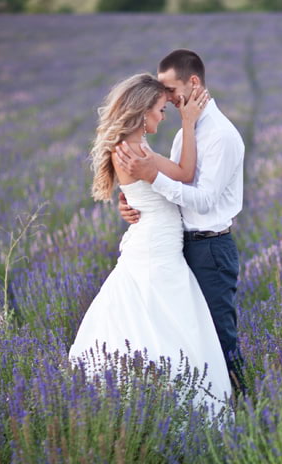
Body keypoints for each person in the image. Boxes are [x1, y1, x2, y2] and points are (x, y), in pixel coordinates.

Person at [69, 72, 232, 414]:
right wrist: (189, 123)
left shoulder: (133, 148)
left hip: (155, 242)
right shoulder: (133, 150)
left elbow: (147, 190)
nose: (163, 115)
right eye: (160, 109)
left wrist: (130, 202)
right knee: (167, 321)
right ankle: (168, 400)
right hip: (157, 248)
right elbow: (186, 174)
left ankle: (153, 397)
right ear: (143, 112)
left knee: (156, 319)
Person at [114, 49, 247, 396]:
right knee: (189, 337)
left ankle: (244, 408)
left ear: (194, 82)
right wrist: (132, 199)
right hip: (178, 247)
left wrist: (151, 178)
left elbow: (203, 199)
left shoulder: (221, 135)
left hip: (209, 247)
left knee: (218, 336)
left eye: (171, 90)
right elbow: (170, 188)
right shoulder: (184, 134)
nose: (167, 99)